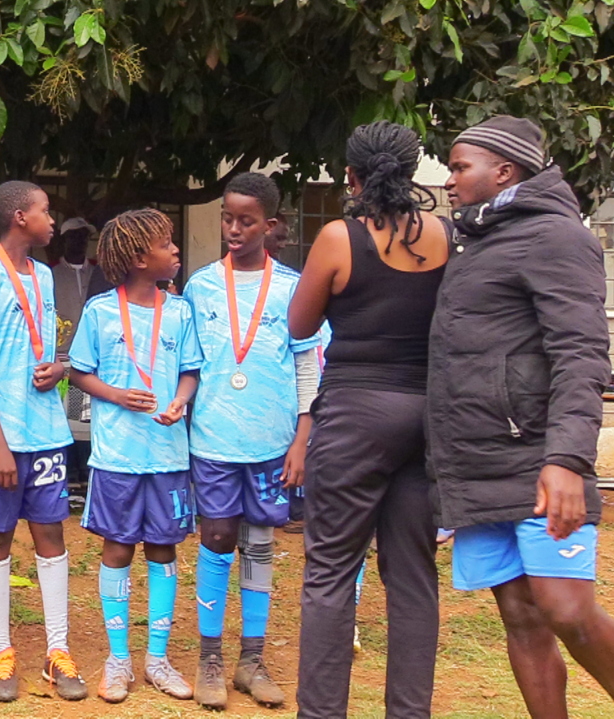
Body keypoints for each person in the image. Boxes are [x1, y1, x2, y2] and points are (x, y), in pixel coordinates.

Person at [428, 116, 614, 717]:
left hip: (538, 459)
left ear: (504, 172)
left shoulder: (557, 237)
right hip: (478, 463)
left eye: (460, 167)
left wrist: (567, 460)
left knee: (567, 610)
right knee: (521, 616)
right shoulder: (477, 239)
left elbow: (582, 355)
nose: (450, 180)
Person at [288, 121, 449, 719]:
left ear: (351, 175)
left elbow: (300, 325)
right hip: (426, 414)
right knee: (413, 578)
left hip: (355, 415)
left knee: (331, 572)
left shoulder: (340, 237)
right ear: (411, 172)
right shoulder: (446, 235)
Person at [185, 171, 319, 710]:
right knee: (217, 536)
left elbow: (307, 366)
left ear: (270, 225)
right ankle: (210, 658)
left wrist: (302, 439)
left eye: (246, 221)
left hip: (272, 441)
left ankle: (252, 660)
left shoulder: (293, 287)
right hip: (214, 439)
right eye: (227, 219)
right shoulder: (200, 286)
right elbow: (189, 366)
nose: (234, 229)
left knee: (261, 539)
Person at [0, 180, 86, 703]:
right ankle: (0, 653)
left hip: (47, 431)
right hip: (3, 438)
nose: (52, 221)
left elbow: (38, 348)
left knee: (51, 533)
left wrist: (58, 368)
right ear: (18, 217)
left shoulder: (44, 276)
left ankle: (58, 651)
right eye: (44, 211)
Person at [68, 208, 202, 703]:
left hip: (169, 455)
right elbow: (79, 373)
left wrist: (180, 401)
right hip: (117, 457)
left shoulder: (181, 311)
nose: (175, 250)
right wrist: (117, 395)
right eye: (166, 244)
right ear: (141, 259)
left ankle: (158, 659)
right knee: (118, 548)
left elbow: (190, 371)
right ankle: (118, 659)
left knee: (164, 548)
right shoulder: (101, 311)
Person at [51, 217, 99, 355]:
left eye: (84, 236)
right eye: (74, 236)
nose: (80, 241)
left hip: (92, 349)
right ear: (64, 240)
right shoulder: (51, 273)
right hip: (61, 350)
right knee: (64, 372)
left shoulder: (97, 272)